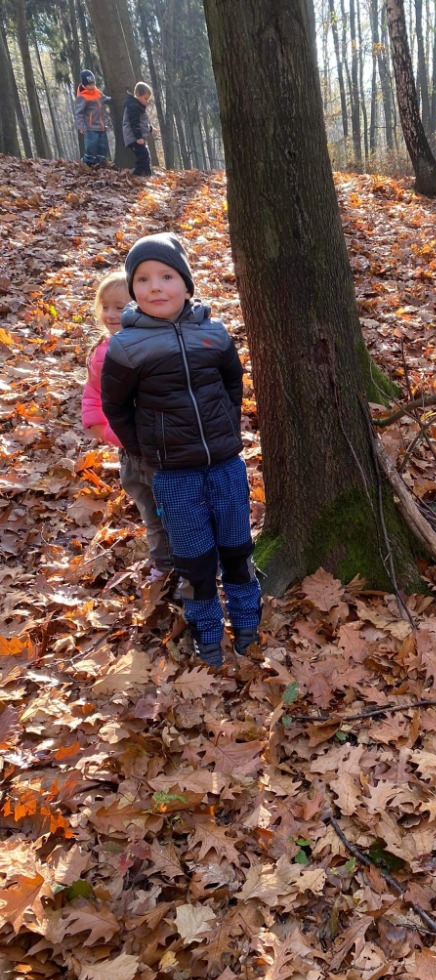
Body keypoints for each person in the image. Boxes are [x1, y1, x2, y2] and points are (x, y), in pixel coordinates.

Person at [100, 234, 262, 668]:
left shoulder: (214, 334)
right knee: (194, 559)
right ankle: (206, 628)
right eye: (143, 279)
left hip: (225, 465)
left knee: (237, 549)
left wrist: (226, 426)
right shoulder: (126, 348)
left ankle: (247, 619)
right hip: (173, 474)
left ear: (187, 285)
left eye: (167, 276)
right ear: (133, 289)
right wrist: (145, 450)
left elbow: (232, 383)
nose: (155, 287)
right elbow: (116, 407)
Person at [81, 270, 173, 581]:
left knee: (175, 511)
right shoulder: (101, 351)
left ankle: (191, 565)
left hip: (161, 452)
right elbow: (93, 392)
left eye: (119, 307)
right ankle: (164, 565)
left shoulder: (154, 345)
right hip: (130, 454)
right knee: (150, 512)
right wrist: (102, 428)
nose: (110, 314)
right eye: (105, 306)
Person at [75, 69, 111, 167]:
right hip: (91, 126)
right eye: (89, 85)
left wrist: (109, 99)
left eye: (93, 84)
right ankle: (87, 162)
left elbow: (103, 98)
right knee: (92, 145)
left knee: (103, 145)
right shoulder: (82, 96)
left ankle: (100, 162)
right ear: (84, 85)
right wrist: (80, 126)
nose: (92, 86)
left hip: (101, 125)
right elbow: (79, 113)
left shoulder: (97, 91)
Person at [122, 82, 158, 177]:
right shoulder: (133, 106)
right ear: (138, 95)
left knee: (146, 156)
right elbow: (134, 123)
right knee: (143, 156)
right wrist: (138, 137)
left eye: (148, 99)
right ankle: (136, 175)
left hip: (137, 137)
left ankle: (148, 174)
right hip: (134, 137)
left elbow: (142, 123)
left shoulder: (138, 106)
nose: (146, 101)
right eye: (145, 98)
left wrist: (150, 128)